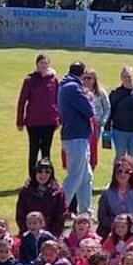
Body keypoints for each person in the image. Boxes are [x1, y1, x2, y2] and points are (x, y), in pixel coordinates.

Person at [57, 61, 95, 215]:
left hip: (77, 136)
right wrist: (89, 98)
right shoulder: (73, 88)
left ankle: (85, 211)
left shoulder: (65, 86)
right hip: (76, 137)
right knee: (74, 177)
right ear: (82, 72)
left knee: (86, 177)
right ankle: (58, 210)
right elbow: (88, 110)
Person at [17, 53, 60, 179]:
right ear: (37, 65)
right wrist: (20, 121)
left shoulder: (53, 79)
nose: (44, 66)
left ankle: (48, 177)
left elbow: (57, 100)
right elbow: (22, 101)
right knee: (34, 150)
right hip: (34, 122)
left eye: (46, 63)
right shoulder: (30, 80)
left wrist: (58, 118)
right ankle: (33, 178)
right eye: (41, 63)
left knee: (46, 151)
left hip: (49, 122)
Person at [16, 159, 68, 237]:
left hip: (51, 234)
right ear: (35, 173)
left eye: (47, 172)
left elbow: (61, 217)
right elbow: (20, 215)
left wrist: (52, 235)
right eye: (40, 171)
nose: (43, 175)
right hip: (29, 234)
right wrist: (29, 233)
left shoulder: (58, 192)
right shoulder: (26, 191)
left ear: (51, 174)